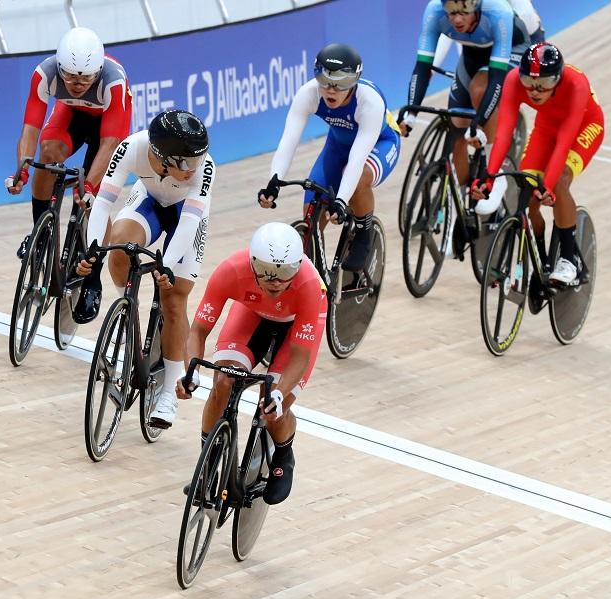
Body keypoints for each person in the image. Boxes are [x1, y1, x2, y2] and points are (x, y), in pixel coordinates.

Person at [73, 109, 212, 430]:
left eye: (195, 161)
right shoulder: (132, 147)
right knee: (119, 245)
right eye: (185, 163)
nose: (193, 168)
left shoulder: (204, 168)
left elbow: (189, 223)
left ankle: (170, 391)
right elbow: (103, 202)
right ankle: (127, 312)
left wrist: (165, 264)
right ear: (163, 157)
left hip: (186, 217)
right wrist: (93, 251)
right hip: (148, 201)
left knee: (174, 297)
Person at [178, 222, 328, 505]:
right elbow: (197, 331)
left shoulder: (308, 284)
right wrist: (191, 372)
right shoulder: (231, 270)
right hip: (252, 314)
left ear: (297, 266)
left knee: (272, 405)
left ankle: (283, 453)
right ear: (252, 264)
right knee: (223, 381)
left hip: (296, 326)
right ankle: (207, 467)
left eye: (284, 272)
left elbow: (300, 355)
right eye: (268, 271)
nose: (275, 281)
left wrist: (279, 393)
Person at [258, 43, 401, 272]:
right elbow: (288, 142)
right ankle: (317, 273)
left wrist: (341, 201)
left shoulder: (370, 101)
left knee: (357, 179)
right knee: (311, 212)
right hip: (337, 145)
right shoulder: (309, 93)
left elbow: (356, 160)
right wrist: (274, 182)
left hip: (380, 144)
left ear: (353, 82)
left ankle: (364, 234)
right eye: (324, 82)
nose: (331, 91)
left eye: (340, 84)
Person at [473, 42, 604, 286]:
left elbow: (564, 142)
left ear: (558, 78)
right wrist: (489, 176)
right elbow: (503, 134)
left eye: (544, 84)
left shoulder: (576, 84)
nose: (534, 90)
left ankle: (568, 260)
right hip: (546, 128)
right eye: (529, 81)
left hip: (583, 127)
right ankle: (541, 259)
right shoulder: (513, 81)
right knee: (527, 191)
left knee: (560, 181)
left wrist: (549, 186)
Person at [4, 27, 132, 258]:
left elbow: (110, 143)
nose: (78, 84)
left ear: (99, 71)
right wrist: (22, 171)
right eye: (71, 76)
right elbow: (31, 129)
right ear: (60, 67)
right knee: (48, 152)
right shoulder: (45, 73)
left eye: (86, 78)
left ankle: (93, 279)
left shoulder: (113, 81)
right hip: (72, 115)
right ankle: (39, 234)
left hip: (108, 129)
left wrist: (90, 186)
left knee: (94, 202)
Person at [401, 0, 516, 189]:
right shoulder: (434, 10)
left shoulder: (498, 12)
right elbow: (422, 65)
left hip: (511, 52)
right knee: (457, 129)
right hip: (471, 57)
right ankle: (464, 200)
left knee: (479, 89)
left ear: (477, 7)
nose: (457, 19)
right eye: (451, 13)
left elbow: (496, 78)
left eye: (464, 12)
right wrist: (411, 113)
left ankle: (494, 169)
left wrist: (479, 122)